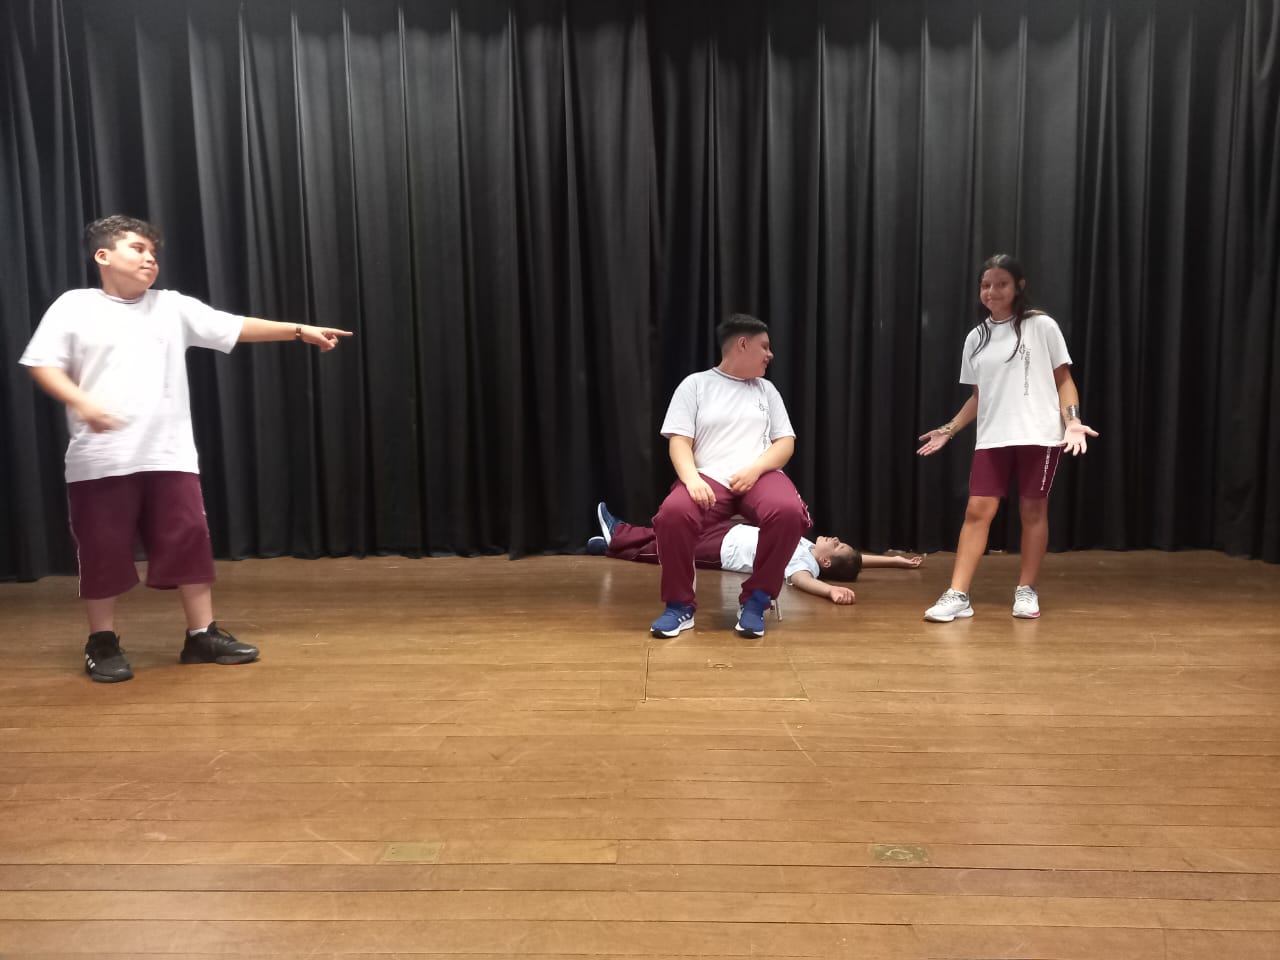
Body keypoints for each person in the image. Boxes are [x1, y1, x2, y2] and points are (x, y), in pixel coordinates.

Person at [19, 215, 353, 682]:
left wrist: (299, 330)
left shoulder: (171, 307)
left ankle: (201, 636)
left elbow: (234, 326)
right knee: (102, 549)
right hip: (100, 459)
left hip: (169, 453)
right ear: (103, 256)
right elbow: (42, 364)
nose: (149, 259)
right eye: (137, 249)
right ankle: (102, 641)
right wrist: (82, 402)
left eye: (153, 253)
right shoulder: (74, 306)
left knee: (189, 541)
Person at [916, 254, 1098, 622]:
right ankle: (958, 594)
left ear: (1019, 286)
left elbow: (1063, 379)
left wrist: (1073, 421)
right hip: (993, 438)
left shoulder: (1041, 325)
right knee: (977, 512)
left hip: (1039, 435)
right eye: (986, 285)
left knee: (1033, 511)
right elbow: (978, 397)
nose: (992, 291)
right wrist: (949, 429)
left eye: (1001, 284)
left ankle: (1026, 589)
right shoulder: (976, 338)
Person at [648, 314, 810, 639]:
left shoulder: (767, 390)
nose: (770, 354)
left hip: (759, 475)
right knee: (673, 514)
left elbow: (785, 442)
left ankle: (757, 601)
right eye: (765, 346)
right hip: (708, 476)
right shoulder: (695, 385)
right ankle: (679, 606)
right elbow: (679, 441)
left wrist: (755, 469)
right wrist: (692, 479)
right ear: (742, 344)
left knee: (789, 512)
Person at [588, 501, 924, 606]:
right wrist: (894, 561)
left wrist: (830, 591)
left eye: (837, 545)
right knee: (672, 533)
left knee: (665, 550)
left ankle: (617, 536)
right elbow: (858, 560)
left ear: (824, 562)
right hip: (729, 533)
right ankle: (613, 542)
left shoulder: (804, 562)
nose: (835, 538)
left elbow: (801, 580)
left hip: (721, 551)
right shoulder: (810, 547)